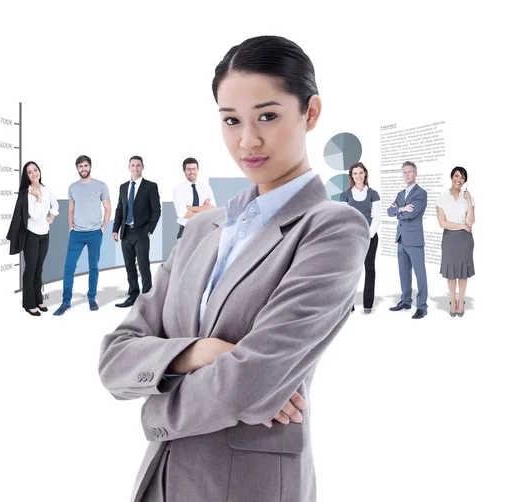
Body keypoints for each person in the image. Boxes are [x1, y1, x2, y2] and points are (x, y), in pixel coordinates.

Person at [98, 35, 370, 502]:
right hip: (159, 484)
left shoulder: (333, 228)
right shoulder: (204, 228)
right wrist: (196, 352)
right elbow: (115, 358)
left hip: (248, 487)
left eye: (267, 115)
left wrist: (154, 411)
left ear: (311, 113)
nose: (247, 140)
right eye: (231, 120)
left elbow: (249, 384)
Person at [53, 155, 111, 315]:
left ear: (90, 166)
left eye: (86, 166)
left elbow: (108, 208)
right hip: (76, 234)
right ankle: (66, 302)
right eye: (80, 166)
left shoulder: (101, 185)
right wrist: (70, 228)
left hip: (95, 233)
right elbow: (70, 210)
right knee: (68, 268)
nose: (83, 169)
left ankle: (92, 298)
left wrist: (103, 228)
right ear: (77, 169)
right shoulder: (72, 187)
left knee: (94, 267)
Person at [6, 161, 59, 316]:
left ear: (39, 171)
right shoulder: (28, 193)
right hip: (31, 235)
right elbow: (35, 216)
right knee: (30, 269)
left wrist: (52, 216)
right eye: (30, 172)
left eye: (35, 170)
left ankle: (38, 298)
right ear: (27, 176)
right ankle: (29, 303)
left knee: (39, 268)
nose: (34, 173)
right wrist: (37, 198)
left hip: (45, 234)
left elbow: (55, 205)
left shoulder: (46, 189)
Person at [112, 156, 161, 308]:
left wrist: (149, 230)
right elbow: (120, 209)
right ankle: (133, 296)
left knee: (143, 266)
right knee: (129, 266)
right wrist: (115, 229)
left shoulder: (150, 186)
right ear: (129, 167)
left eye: (138, 165)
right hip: (126, 232)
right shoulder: (123, 187)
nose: (135, 168)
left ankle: (147, 298)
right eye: (133, 165)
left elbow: (156, 210)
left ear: (142, 167)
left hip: (141, 233)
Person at [387, 161, 428, 319]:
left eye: (410, 172)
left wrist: (400, 210)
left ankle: (422, 306)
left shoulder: (420, 193)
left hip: (415, 239)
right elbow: (389, 211)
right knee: (404, 273)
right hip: (401, 239)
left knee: (420, 274)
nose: (407, 174)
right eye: (404, 172)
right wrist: (402, 208)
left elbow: (412, 214)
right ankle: (405, 301)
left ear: (415, 173)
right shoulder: (400, 194)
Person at [340, 162, 380, 314]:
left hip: (370, 236)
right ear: (352, 176)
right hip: (351, 237)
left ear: (365, 174)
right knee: (351, 270)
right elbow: (344, 217)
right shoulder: (346, 195)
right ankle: (349, 303)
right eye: (355, 173)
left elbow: (376, 217)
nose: (358, 176)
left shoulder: (373, 194)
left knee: (369, 269)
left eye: (361, 173)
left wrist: (368, 235)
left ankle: (368, 304)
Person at [435, 166, 476, 316]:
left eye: (462, 178)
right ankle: (453, 301)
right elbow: (442, 223)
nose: (459, 180)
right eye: (457, 176)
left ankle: (461, 300)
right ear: (452, 177)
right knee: (451, 272)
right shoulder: (441, 198)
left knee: (463, 272)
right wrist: (462, 226)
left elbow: (470, 222)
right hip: (449, 238)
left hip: (465, 239)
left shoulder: (468, 198)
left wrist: (470, 202)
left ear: (465, 181)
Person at [173, 157, 217, 238]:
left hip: (204, 230)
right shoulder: (179, 189)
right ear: (184, 170)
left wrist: (191, 208)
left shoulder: (206, 187)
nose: (192, 172)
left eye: (194, 169)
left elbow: (212, 208)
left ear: (197, 170)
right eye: (189, 169)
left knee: (204, 251)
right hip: (186, 231)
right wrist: (203, 209)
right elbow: (183, 213)